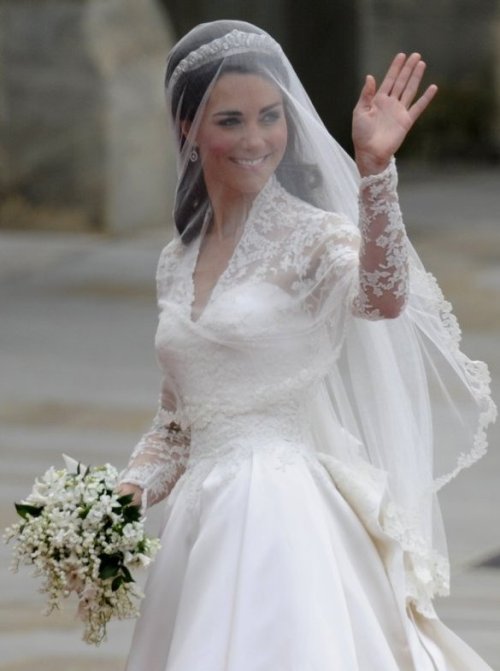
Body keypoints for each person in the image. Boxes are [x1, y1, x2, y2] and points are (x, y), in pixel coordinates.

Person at [118, 19, 496, 671]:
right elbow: (178, 423)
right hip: (199, 527)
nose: (256, 139)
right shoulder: (175, 261)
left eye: (270, 117)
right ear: (188, 128)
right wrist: (117, 500)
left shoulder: (313, 237)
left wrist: (375, 173)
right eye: (231, 120)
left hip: (282, 512)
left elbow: (383, 297)